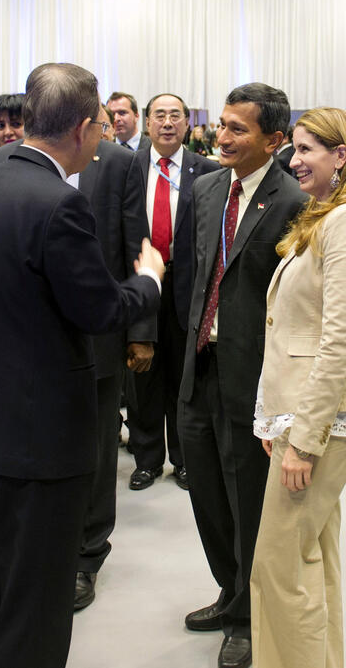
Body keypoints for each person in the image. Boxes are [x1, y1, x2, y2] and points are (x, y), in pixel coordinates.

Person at [0, 62, 163, 668]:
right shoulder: (60, 203)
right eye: (101, 129)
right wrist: (148, 281)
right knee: (37, 602)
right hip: (38, 436)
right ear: (83, 129)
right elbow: (99, 309)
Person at [0, 101, 154, 611]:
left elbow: (136, 243)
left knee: (97, 451)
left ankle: (88, 555)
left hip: (99, 336)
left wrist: (140, 333)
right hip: (26, 346)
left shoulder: (119, 163)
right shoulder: (2, 164)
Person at [249, 108, 346, 668]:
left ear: (341, 156)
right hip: (305, 414)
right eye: (295, 148)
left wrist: (305, 439)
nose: (294, 160)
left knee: (281, 568)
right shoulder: (328, 214)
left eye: (307, 149)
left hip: (321, 423)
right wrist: (277, 418)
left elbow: (340, 341)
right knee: (310, 557)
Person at [178, 82, 307, 668]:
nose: (222, 137)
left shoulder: (293, 201)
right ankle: (229, 591)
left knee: (248, 500)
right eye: (222, 125)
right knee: (207, 494)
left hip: (254, 377)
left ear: (274, 140)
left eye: (238, 129)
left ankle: (250, 618)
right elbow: (193, 278)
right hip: (199, 366)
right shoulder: (206, 189)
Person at [127, 93, 219, 492]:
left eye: (175, 116)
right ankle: (147, 460)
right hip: (142, 281)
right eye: (159, 115)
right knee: (143, 378)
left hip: (188, 286)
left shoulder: (208, 171)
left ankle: (184, 460)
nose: (167, 122)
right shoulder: (128, 168)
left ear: (187, 125)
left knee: (185, 380)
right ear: (147, 123)